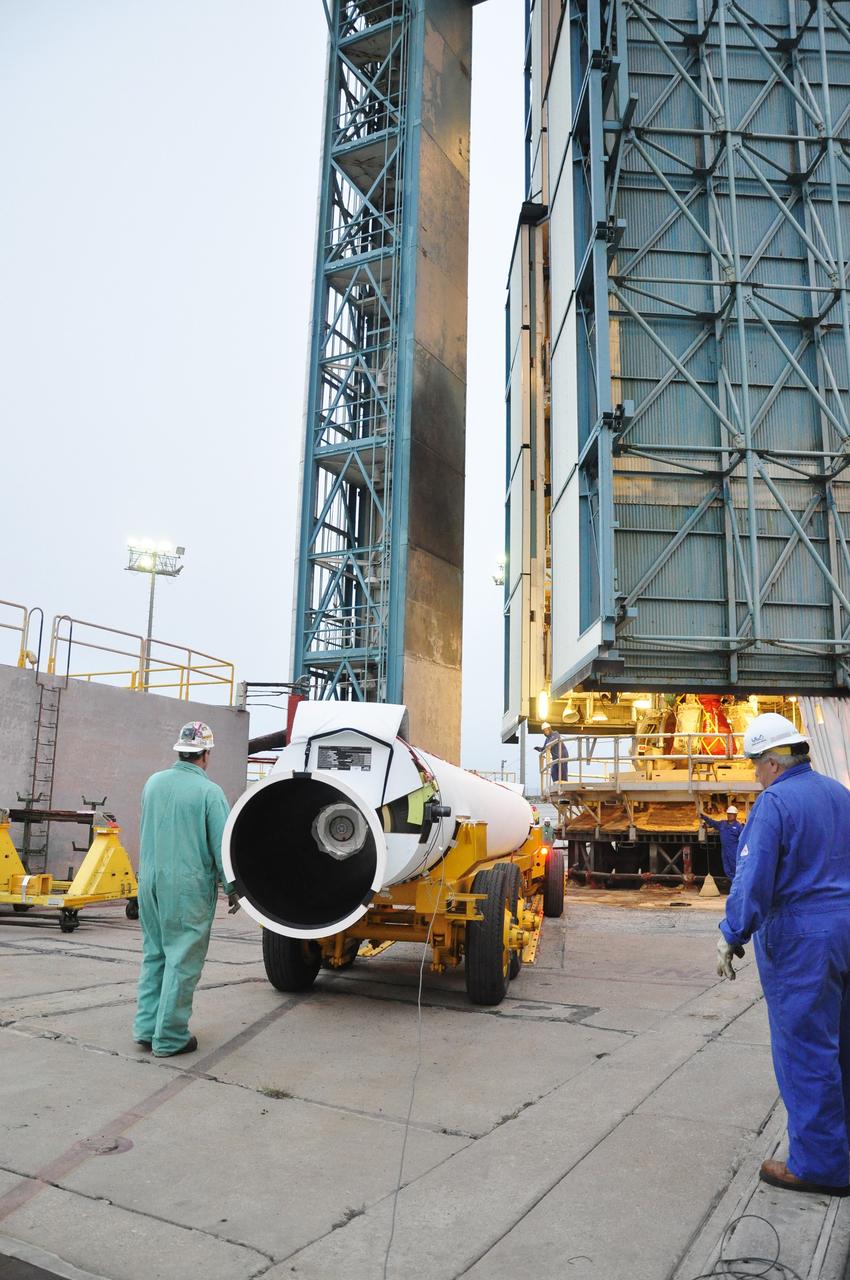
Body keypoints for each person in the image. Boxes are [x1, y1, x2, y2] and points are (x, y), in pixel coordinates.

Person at [715, 712, 850, 1197]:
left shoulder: (774, 803)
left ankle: (819, 1167)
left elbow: (753, 879)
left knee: (807, 1050)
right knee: (842, 1046)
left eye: (756, 764)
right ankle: (842, 1150)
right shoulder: (839, 793)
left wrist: (732, 933)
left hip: (803, 940)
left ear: (772, 762)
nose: (754, 773)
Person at [133, 721, 233, 1057]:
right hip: (186, 888)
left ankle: (147, 1029)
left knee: (156, 954)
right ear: (205, 755)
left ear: (180, 750)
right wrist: (234, 888)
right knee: (182, 960)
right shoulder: (209, 793)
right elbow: (224, 848)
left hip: (149, 883)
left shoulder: (153, 784)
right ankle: (171, 1037)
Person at [700, 804, 744, 881]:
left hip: (734, 850)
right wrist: (704, 817)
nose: (729, 815)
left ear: (735, 815)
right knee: (727, 869)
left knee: (735, 868)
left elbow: (743, 839)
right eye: (728, 814)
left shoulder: (739, 826)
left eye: (731, 814)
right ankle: (734, 884)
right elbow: (713, 822)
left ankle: (738, 885)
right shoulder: (722, 824)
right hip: (724, 850)